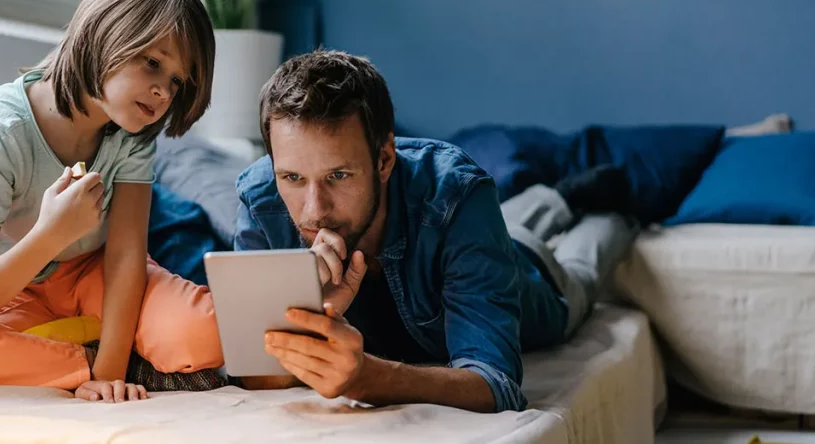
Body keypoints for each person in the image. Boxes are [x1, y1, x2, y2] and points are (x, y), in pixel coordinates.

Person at [0, 0, 226, 403]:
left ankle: (98, 355)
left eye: (177, 80)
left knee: (212, 331)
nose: (164, 91)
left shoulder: (135, 135)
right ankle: (103, 362)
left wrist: (110, 374)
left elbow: (126, 257)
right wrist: (51, 235)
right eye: (152, 63)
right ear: (108, 31)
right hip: (15, 294)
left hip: (97, 279)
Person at [234, 50, 639, 413]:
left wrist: (366, 378)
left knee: (580, 267)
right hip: (481, 236)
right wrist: (310, 311)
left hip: (532, 277)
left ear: (384, 159)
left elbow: (497, 385)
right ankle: (559, 197)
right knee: (505, 222)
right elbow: (253, 373)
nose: (314, 210)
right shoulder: (261, 199)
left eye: (338, 175)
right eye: (292, 177)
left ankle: (617, 213)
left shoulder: (457, 195)